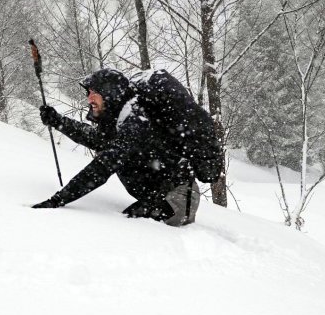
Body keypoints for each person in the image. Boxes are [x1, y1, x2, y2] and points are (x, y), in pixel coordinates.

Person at [32, 68, 200, 226]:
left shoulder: (136, 122)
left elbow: (103, 166)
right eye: (88, 93)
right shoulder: (119, 118)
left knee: (126, 224)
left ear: (110, 93)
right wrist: (58, 121)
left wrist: (58, 199)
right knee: (127, 219)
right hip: (159, 197)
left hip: (178, 200)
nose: (89, 98)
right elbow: (96, 138)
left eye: (95, 93)